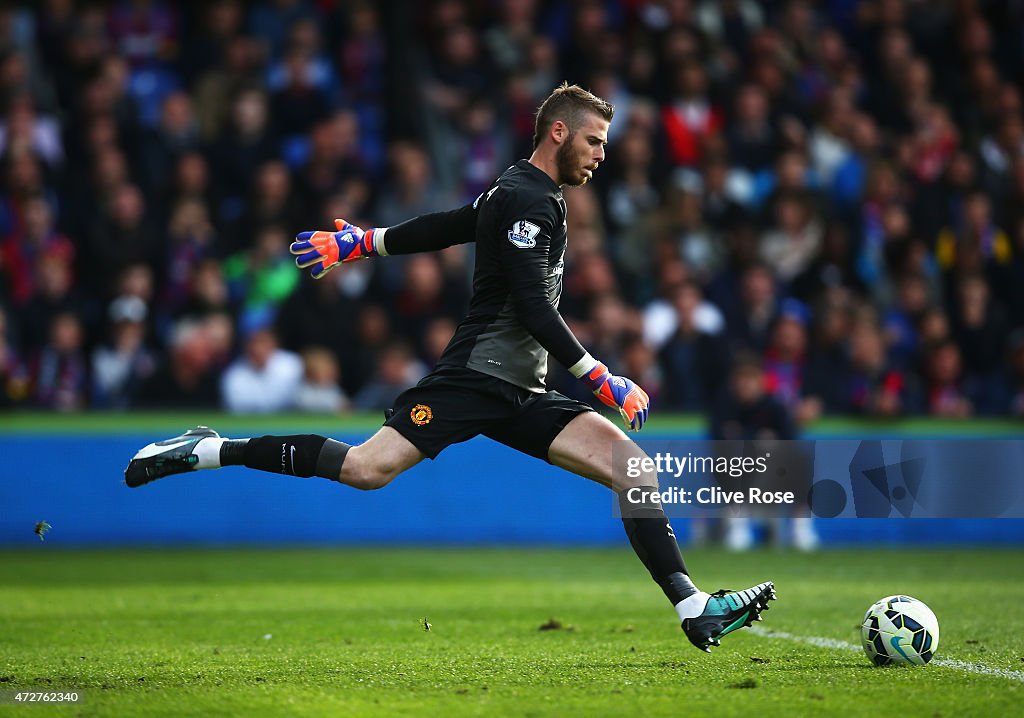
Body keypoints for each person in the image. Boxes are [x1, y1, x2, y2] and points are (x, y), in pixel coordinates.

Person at [125, 83, 774, 652]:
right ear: (558, 132)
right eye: (596, 141)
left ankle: (695, 609)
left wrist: (363, 241)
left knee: (632, 468)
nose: (603, 155)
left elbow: (451, 225)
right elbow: (526, 301)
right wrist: (599, 374)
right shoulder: (529, 197)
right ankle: (210, 448)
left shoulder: (517, 191)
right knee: (365, 468)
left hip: (522, 389)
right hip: (474, 378)